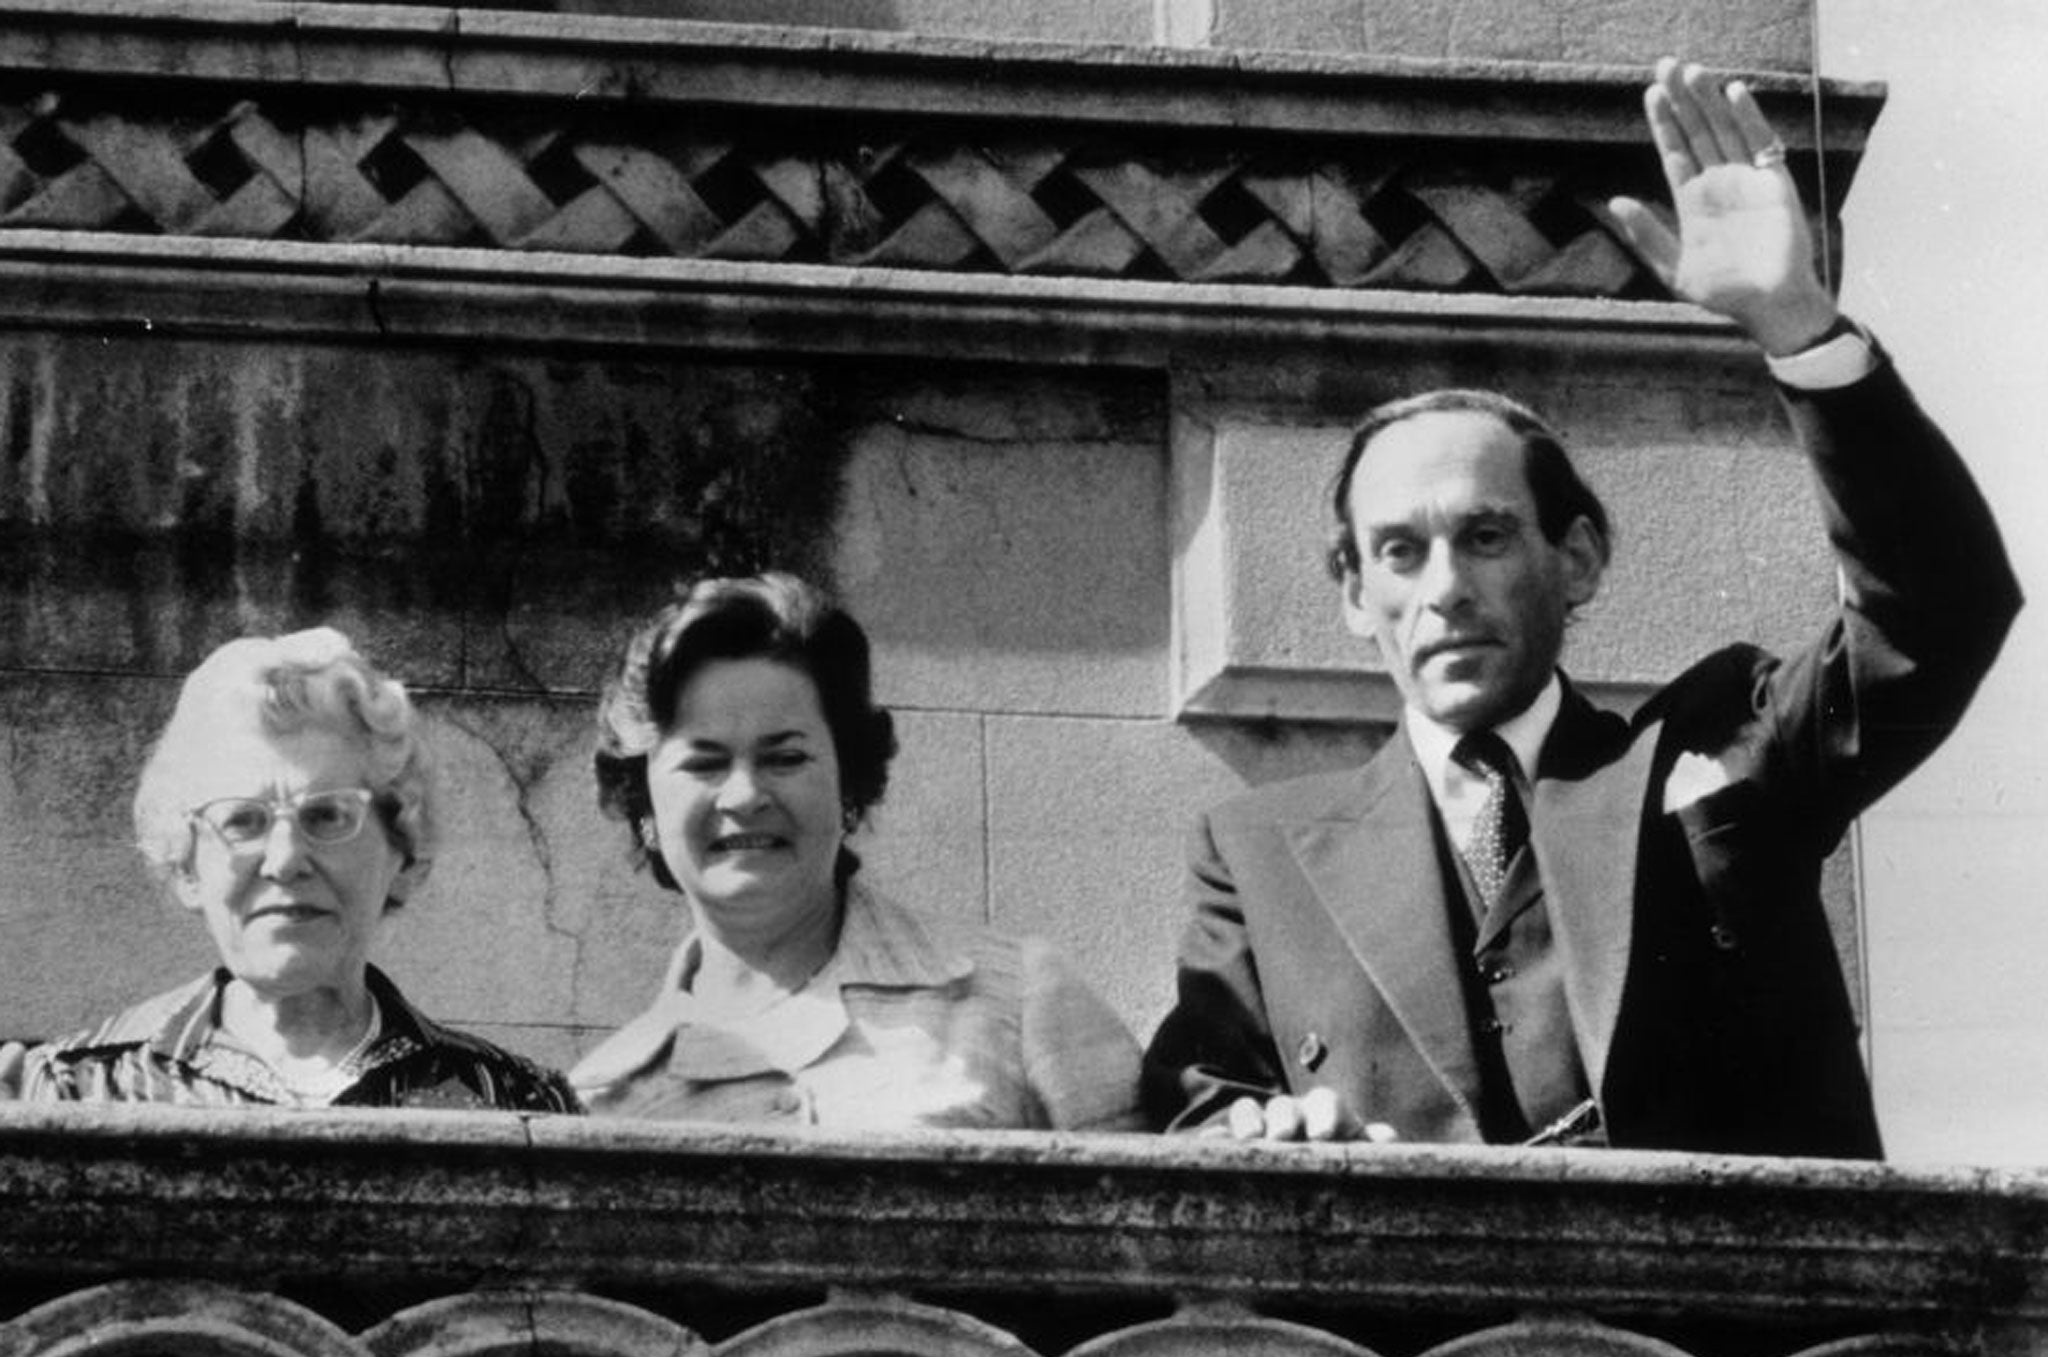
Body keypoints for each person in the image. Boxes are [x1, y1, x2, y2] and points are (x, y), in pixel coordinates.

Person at [1140, 58, 2020, 1158]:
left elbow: (1937, 613)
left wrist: (1796, 327)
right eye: (1399, 553)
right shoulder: (1256, 852)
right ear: (1352, 595)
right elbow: (1193, 1099)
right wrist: (1253, 1127)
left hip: (1727, 1328)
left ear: (1580, 559)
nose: (1444, 588)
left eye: (1485, 536)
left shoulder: (1721, 747)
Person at [571, 571, 1143, 1133]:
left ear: (848, 783)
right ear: (644, 807)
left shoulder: (1022, 996)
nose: (744, 796)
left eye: (786, 758)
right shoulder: (600, 1098)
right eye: (705, 763)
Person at [2, 627, 575, 1113]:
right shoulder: (75, 1091)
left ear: (402, 854)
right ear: (187, 866)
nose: (284, 860)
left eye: (328, 815)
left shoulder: (515, 1103)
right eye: (244, 821)